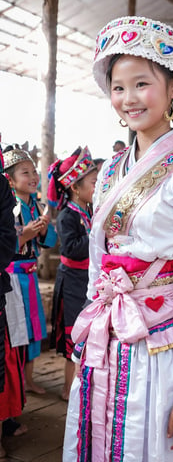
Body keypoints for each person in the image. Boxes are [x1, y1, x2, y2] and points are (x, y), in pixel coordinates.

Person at [63, 16, 173, 461]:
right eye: (118, 88)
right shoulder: (110, 172)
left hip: (164, 350)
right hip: (109, 338)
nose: (129, 99)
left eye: (142, 84)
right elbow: (100, 267)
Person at [3, 145, 57, 394]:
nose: (33, 176)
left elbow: (50, 241)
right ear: (10, 180)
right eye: (25, 172)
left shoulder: (37, 205)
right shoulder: (9, 207)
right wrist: (23, 236)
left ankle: (29, 379)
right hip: (13, 278)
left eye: (34, 171)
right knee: (17, 330)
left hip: (31, 275)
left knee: (35, 328)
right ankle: (17, 382)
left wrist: (44, 230)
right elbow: (7, 242)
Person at [47, 147, 97, 401]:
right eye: (93, 182)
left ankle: (81, 385)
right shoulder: (67, 215)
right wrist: (95, 234)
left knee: (86, 335)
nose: (97, 187)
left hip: (85, 281)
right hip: (72, 283)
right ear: (75, 188)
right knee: (74, 339)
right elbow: (72, 250)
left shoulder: (87, 211)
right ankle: (68, 389)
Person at [0, 152, 27, 458]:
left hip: (13, 281)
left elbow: (8, 243)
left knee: (13, 351)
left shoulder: (4, 194)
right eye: (25, 171)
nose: (32, 177)